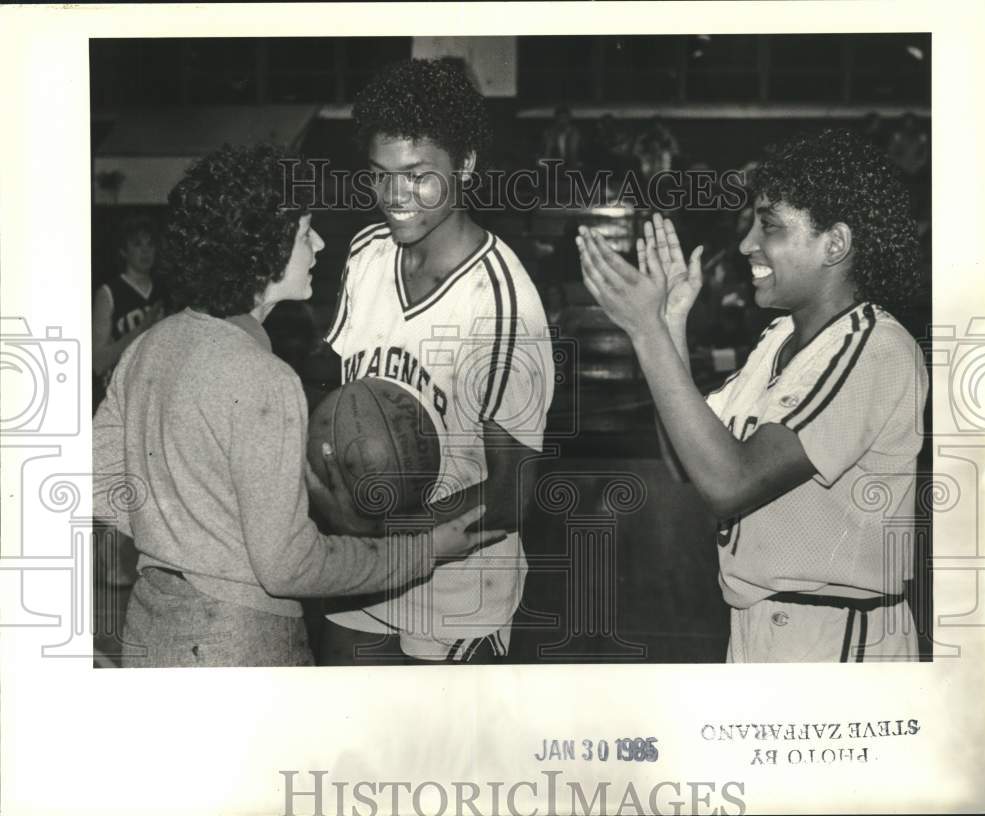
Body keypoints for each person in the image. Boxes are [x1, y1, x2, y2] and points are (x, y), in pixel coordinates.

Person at [92, 144, 502, 668]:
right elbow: (289, 566)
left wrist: (185, 539)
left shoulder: (154, 344)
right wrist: (424, 551)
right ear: (264, 249)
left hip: (152, 623)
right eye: (306, 232)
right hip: (237, 641)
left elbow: (101, 486)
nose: (320, 243)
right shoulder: (266, 378)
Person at [577, 128, 927, 663]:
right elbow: (685, 461)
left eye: (768, 227)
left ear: (834, 244)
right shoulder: (780, 339)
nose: (746, 244)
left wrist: (645, 333)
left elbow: (730, 484)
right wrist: (669, 325)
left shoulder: (875, 349)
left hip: (835, 638)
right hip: (762, 626)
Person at [319, 59, 555, 664]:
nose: (396, 198)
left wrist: (383, 529)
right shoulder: (368, 254)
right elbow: (344, 401)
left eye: (419, 176)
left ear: (466, 165)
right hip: (360, 574)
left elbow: (512, 495)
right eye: (380, 176)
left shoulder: (502, 303)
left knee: (434, 761)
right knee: (347, 750)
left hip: (456, 592)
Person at [92, 215, 164, 412]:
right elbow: (98, 362)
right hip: (122, 397)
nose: (145, 251)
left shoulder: (165, 290)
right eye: (137, 244)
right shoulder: (109, 292)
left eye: (150, 244)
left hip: (156, 394)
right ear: (124, 251)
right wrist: (141, 330)